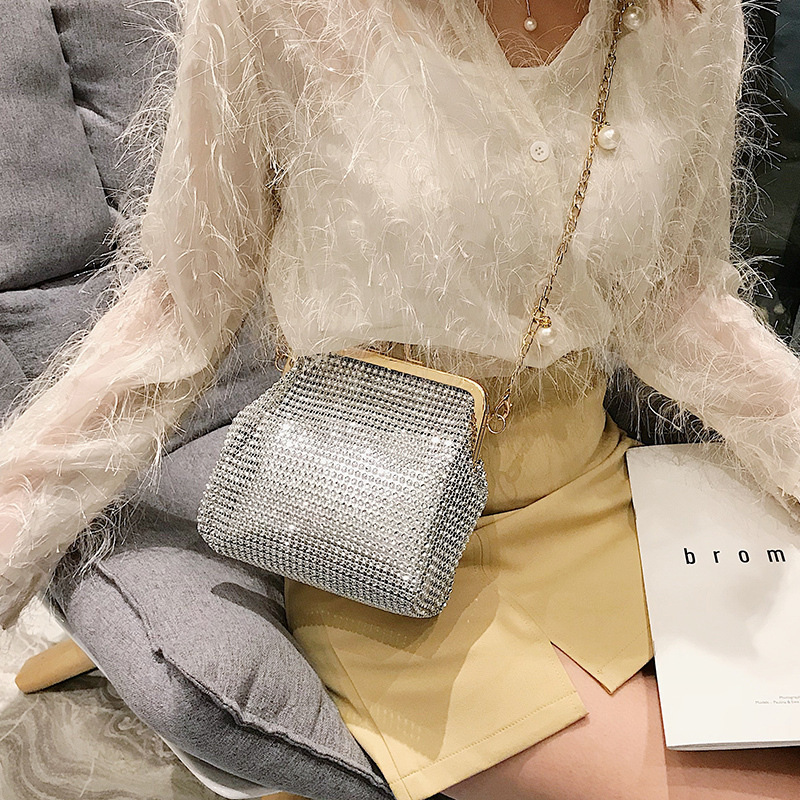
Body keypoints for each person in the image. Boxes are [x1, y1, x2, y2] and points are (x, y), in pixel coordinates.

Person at [1, 0, 799, 797]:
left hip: (606, 492)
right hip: (385, 543)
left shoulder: (685, 18)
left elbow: (680, 305)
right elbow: (184, 308)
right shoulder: (284, 16)